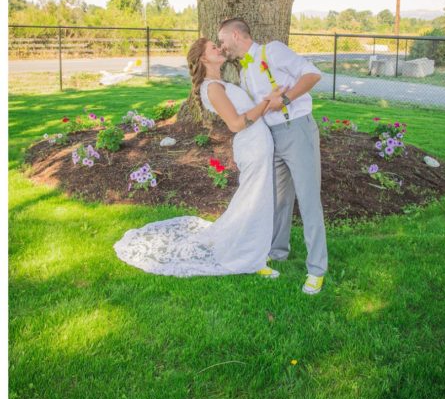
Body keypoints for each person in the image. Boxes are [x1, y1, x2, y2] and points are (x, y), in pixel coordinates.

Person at [114, 38, 283, 278]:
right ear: (204, 58)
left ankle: (248, 248)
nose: (219, 48)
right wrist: (267, 102)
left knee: (255, 199)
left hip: (259, 142)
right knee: (254, 201)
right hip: (252, 145)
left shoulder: (218, 83)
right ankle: (248, 258)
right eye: (213, 47)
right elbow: (236, 124)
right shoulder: (212, 88)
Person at [216, 18, 328, 296]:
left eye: (222, 41)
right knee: (279, 200)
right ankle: (278, 252)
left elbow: (313, 74)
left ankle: (316, 269)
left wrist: (286, 99)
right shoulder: (243, 72)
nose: (221, 46)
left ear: (235, 34)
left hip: (296, 130)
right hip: (272, 138)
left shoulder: (272, 50)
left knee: (308, 200)